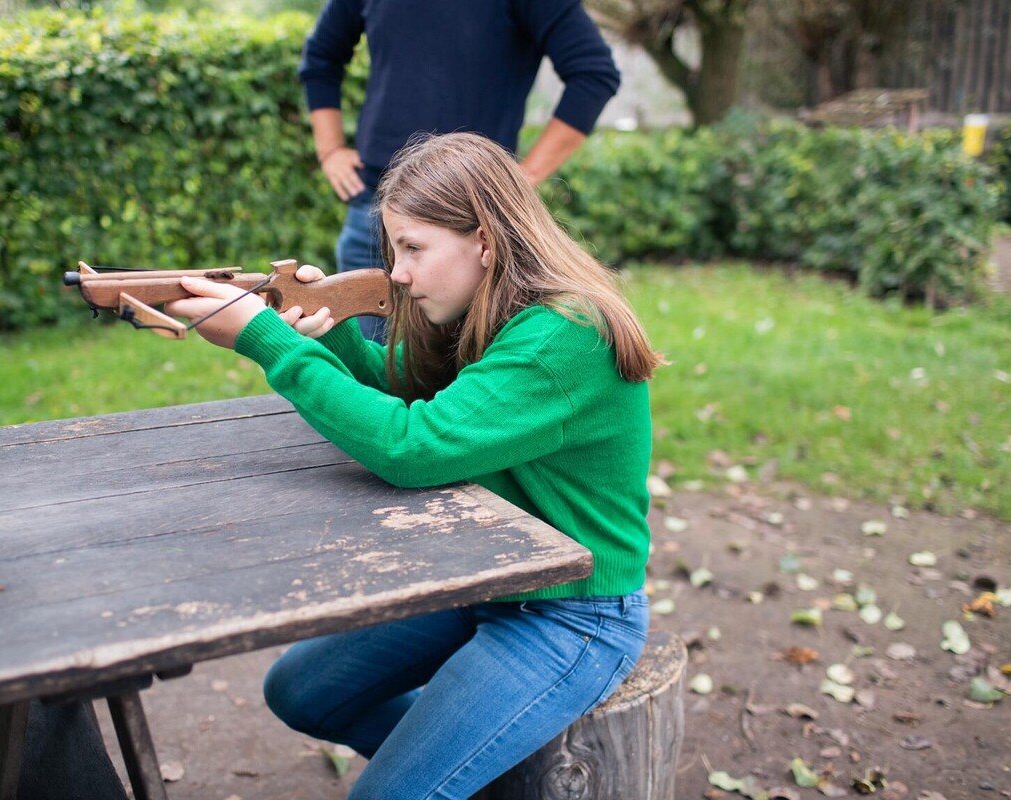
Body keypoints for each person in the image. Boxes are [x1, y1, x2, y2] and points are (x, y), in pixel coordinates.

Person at [166, 131, 663, 799]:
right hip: (495, 575)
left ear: (484, 241)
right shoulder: (494, 308)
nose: (397, 273)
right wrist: (333, 327)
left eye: (413, 248)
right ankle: (471, 773)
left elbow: (412, 447)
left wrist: (269, 342)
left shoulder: (560, 337)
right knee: (302, 692)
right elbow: (403, 391)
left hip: (571, 612)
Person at [300, 0, 622, 341]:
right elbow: (321, 57)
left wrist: (520, 181)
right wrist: (330, 149)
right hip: (375, 209)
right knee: (364, 374)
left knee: (458, 380)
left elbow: (593, 73)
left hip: (467, 225)